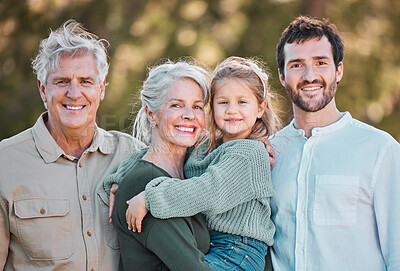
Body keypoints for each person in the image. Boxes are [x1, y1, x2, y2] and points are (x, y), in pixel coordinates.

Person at [107, 56, 281, 271]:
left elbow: (210, 190)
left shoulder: (249, 152)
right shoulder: (205, 148)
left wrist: (150, 197)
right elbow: (144, 154)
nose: (232, 110)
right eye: (223, 102)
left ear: (260, 109)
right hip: (220, 247)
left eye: (197, 106)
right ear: (151, 113)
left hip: (239, 250)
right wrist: (119, 178)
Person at [0, 20, 144, 270]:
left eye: (86, 81)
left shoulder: (133, 156)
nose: (74, 93)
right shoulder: (5, 164)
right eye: (62, 81)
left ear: (101, 89)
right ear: (43, 89)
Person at [270, 15, 400, 271]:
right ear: (282, 76)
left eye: (320, 62)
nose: (310, 75)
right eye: (296, 65)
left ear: (338, 70)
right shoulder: (269, 151)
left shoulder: (380, 150)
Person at [111, 60, 213, 270]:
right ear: (151, 114)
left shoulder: (191, 175)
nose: (189, 115)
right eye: (176, 105)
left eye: (197, 106)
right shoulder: (144, 184)